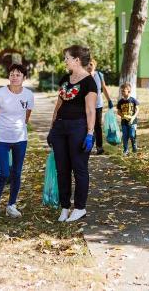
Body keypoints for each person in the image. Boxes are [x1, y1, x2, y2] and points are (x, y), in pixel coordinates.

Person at [47, 45, 97, 223]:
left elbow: (91, 110)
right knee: (62, 170)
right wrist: (52, 128)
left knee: (79, 168)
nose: (65, 61)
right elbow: (58, 104)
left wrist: (90, 134)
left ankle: (80, 208)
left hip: (79, 128)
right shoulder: (65, 79)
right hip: (61, 128)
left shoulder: (89, 82)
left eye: (67, 58)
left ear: (77, 60)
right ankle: (65, 207)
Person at [0, 63, 34, 219]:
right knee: (4, 173)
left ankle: (11, 205)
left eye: (18, 75)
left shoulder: (28, 95)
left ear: (24, 78)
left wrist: (18, 128)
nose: (15, 77)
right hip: (2, 138)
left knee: (17, 173)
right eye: (12, 74)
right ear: (8, 76)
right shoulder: (0, 93)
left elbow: (27, 115)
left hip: (20, 139)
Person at [87, 58, 113, 155]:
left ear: (94, 65)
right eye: (87, 65)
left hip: (98, 105)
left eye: (91, 64)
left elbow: (104, 88)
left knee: (98, 126)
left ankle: (99, 147)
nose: (89, 66)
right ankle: (88, 145)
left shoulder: (99, 75)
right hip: (87, 105)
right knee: (88, 126)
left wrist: (109, 100)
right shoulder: (84, 76)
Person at [115, 83, 139, 155]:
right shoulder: (120, 102)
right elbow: (118, 112)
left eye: (124, 91)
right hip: (124, 122)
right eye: (121, 91)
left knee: (132, 135)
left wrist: (133, 117)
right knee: (125, 136)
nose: (122, 92)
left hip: (133, 121)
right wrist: (124, 116)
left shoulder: (133, 100)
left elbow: (137, 109)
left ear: (128, 91)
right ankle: (125, 150)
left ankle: (134, 147)